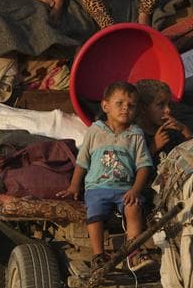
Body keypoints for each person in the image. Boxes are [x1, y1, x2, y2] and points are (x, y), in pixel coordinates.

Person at [58, 81, 154, 271]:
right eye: (120, 103)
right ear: (105, 106)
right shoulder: (95, 130)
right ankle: (98, 255)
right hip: (97, 188)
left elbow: (144, 166)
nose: (126, 108)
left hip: (125, 188)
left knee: (134, 207)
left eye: (131, 105)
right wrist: (74, 186)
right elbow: (82, 161)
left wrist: (135, 190)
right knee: (94, 213)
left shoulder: (136, 135)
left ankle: (133, 252)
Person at [135, 78, 193, 160]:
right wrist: (153, 148)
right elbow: (133, 169)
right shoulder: (135, 136)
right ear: (143, 108)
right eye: (161, 105)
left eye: (168, 104)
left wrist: (183, 129)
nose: (168, 110)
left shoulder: (170, 128)